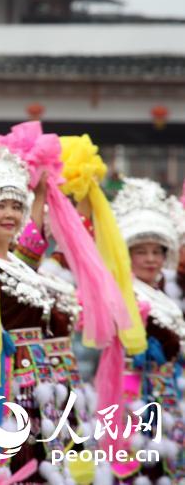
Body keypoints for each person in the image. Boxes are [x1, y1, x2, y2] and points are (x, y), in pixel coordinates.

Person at [0, 142, 82, 483]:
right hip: (1, 378)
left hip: (36, 379)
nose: (9, 213)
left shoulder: (20, 266)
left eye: (15, 205)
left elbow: (33, 242)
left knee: (40, 462)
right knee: (8, 462)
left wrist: (39, 194)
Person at [111, 178, 185, 482]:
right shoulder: (120, 294)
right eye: (142, 251)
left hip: (167, 394)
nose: (151, 259)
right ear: (127, 254)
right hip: (131, 395)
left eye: (157, 251)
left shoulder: (166, 296)